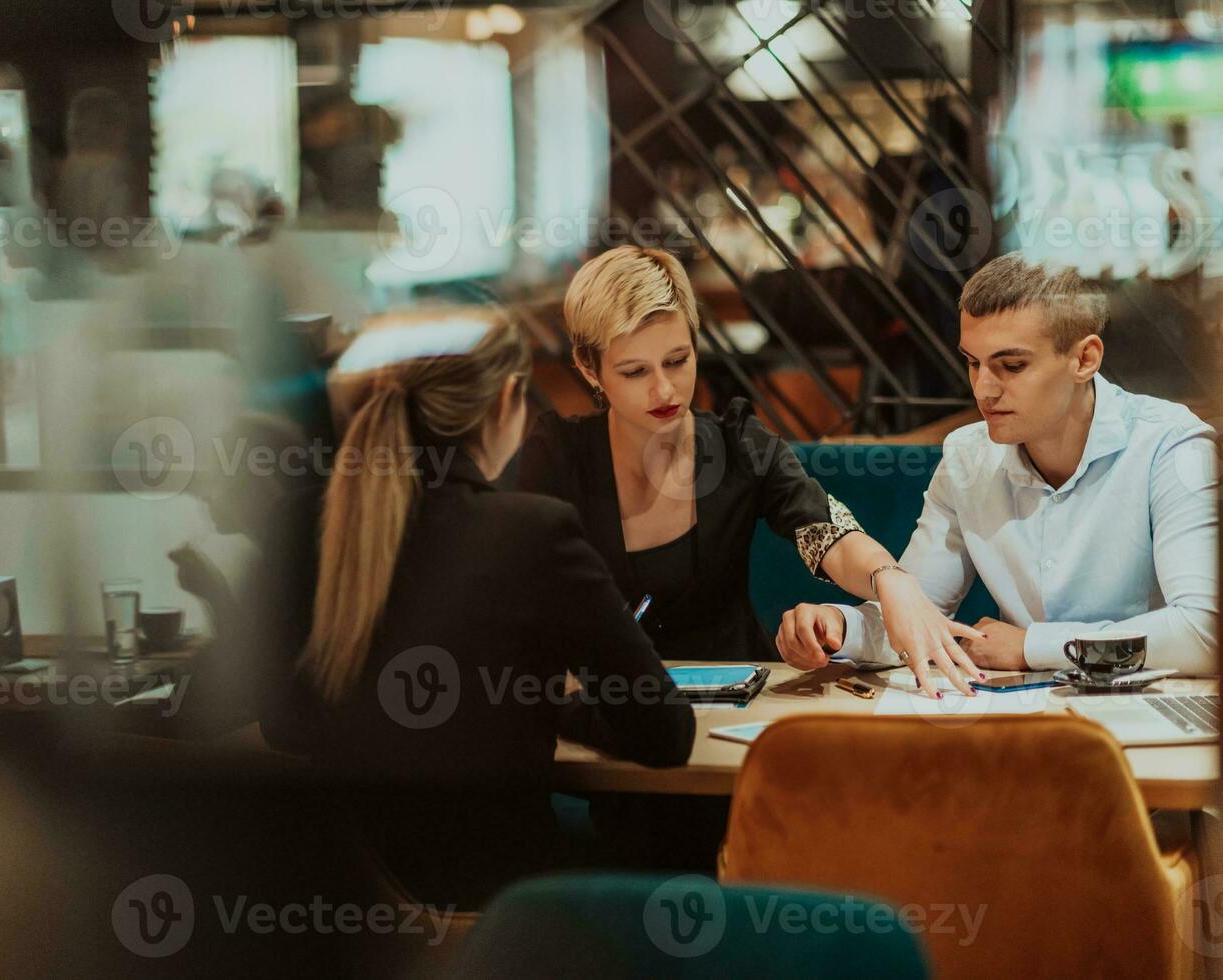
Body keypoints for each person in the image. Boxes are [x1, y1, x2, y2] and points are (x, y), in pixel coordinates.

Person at [256, 307, 695, 907]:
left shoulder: (298, 521)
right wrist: (556, 706)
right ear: (508, 400)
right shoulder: (532, 532)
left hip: (340, 921)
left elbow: (283, 721)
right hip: (500, 922)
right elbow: (667, 734)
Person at [518, 245, 983, 698]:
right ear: (588, 367)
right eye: (635, 372)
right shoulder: (558, 456)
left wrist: (890, 578)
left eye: (678, 361)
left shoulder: (738, 444)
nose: (665, 389)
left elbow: (824, 531)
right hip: (607, 710)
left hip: (736, 699)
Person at [777, 252, 1219, 676]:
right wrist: (837, 628)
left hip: (1153, 720)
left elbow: (1204, 633)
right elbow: (918, 616)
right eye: (973, 364)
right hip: (1025, 716)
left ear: (1085, 359)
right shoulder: (967, 458)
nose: (984, 390)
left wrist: (1030, 647)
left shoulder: (1171, 447)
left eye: (1011, 365)